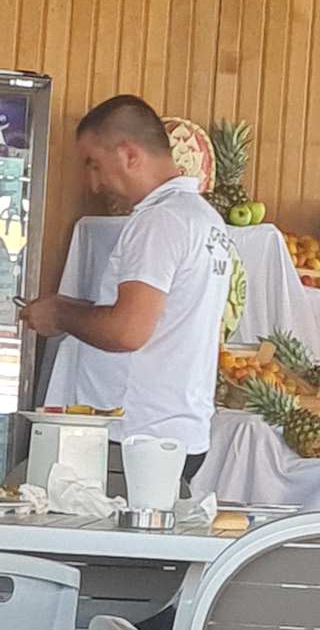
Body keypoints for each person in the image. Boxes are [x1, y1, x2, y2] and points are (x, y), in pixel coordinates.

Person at [21, 94, 234, 483]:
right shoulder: (204, 219)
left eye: (95, 164)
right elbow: (159, 317)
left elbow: (127, 331)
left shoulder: (159, 222)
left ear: (129, 154)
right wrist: (76, 308)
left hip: (135, 437)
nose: (94, 183)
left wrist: (60, 314)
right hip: (175, 432)